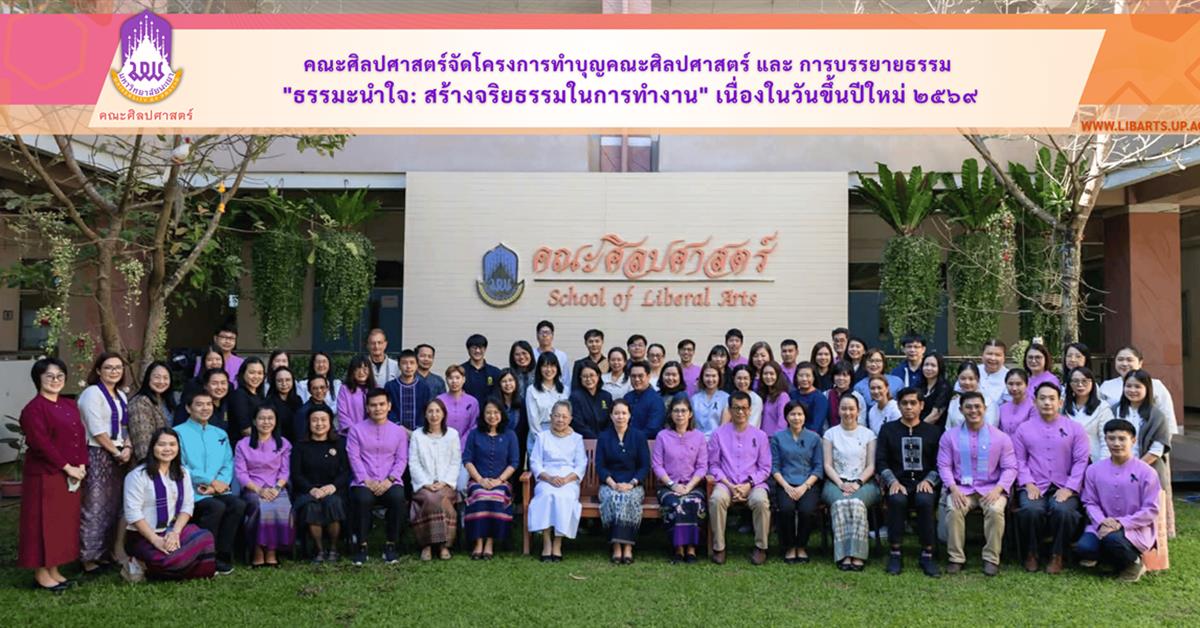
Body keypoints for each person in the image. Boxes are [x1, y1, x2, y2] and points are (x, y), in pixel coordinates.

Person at [18, 357, 87, 592]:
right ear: (38, 379)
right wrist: (67, 467)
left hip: (71, 475)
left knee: (61, 524)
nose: (55, 380)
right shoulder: (33, 409)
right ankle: (41, 573)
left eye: (60, 376)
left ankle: (54, 569)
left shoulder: (69, 405)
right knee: (42, 524)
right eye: (49, 376)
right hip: (44, 476)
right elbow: (42, 445)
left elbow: (80, 436)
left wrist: (81, 465)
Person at [937, 391, 1018, 576]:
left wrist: (998, 489)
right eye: (968, 407)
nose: (973, 411)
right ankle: (956, 557)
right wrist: (953, 489)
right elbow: (944, 465)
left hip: (991, 488)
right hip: (961, 488)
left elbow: (1010, 468)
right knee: (954, 508)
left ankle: (991, 558)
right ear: (961, 410)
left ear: (985, 409)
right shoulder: (949, 437)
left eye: (977, 407)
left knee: (995, 510)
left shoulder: (1001, 437)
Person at [1011, 383, 1089, 574]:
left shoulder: (1075, 429)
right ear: (1035, 402)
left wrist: (1069, 488)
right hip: (1034, 483)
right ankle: (1032, 553)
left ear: (1060, 402)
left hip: (1064, 484)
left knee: (1063, 511)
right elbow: (1019, 460)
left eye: (1052, 398)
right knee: (1031, 510)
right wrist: (1028, 483)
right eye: (1042, 398)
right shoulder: (1023, 429)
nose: (1047, 402)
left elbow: (1081, 461)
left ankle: (1058, 554)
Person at [122, 428, 216, 581]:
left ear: (178, 448)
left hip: (171, 531)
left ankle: (159, 567)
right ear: (153, 447)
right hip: (143, 536)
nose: (167, 449)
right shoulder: (137, 476)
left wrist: (175, 533)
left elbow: (187, 506)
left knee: (205, 537)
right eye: (162, 444)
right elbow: (133, 514)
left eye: (172, 444)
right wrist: (156, 540)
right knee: (170, 560)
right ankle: (146, 564)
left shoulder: (182, 473)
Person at [1077, 419, 1161, 582]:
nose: (1116, 443)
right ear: (1105, 440)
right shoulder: (1094, 470)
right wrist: (1102, 521)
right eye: (1111, 438)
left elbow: (1151, 509)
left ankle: (1135, 564)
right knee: (1085, 548)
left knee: (1112, 539)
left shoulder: (1147, 472)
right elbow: (1090, 502)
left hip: (1135, 527)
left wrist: (1121, 523)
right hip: (1101, 525)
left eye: (1122, 439)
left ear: (1133, 440)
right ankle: (1112, 560)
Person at [176, 391, 245, 575]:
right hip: (192, 490)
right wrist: (209, 481)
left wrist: (219, 484)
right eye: (199, 404)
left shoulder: (220, 433)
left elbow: (228, 462)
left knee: (237, 505)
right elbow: (181, 466)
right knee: (215, 507)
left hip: (217, 489)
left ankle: (223, 555)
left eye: (208, 404)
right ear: (188, 408)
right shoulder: (178, 433)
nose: (205, 408)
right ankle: (206, 555)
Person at [875, 388, 942, 577]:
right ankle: (895, 552)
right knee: (897, 500)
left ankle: (927, 554)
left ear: (921, 405)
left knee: (924, 500)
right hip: (898, 481)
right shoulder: (888, 430)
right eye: (904, 403)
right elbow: (881, 461)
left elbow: (941, 462)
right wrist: (892, 481)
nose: (909, 407)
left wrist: (929, 481)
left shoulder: (933, 432)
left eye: (913, 403)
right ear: (898, 406)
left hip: (924, 482)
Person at [1104, 369, 1173, 544]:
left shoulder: (1157, 415)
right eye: (1128, 386)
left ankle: (1147, 544)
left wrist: (1134, 469)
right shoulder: (1114, 410)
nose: (1132, 390)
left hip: (1148, 468)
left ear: (1147, 389)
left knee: (1145, 509)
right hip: (1114, 467)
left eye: (1137, 386)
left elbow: (1157, 448)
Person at [77, 351, 131, 575]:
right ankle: (88, 558)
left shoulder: (121, 395)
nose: (114, 371)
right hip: (98, 453)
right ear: (99, 370)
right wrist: (116, 452)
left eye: (118, 367)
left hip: (119, 453)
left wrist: (127, 447)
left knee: (114, 505)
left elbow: (126, 425)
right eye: (108, 367)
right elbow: (96, 429)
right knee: (95, 504)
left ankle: (106, 552)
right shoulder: (92, 393)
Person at [707, 391, 772, 566]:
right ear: (730, 410)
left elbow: (765, 468)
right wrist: (729, 484)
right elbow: (713, 465)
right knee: (717, 499)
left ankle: (761, 547)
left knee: (761, 501)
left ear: (750, 410)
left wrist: (748, 484)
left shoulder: (760, 436)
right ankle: (719, 547)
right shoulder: (718, 434)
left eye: (744, 408)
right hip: (726, 482)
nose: (740, 412)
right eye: (736, 408)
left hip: (753, 483)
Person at [347, 389, 409, 566]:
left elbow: (402, 459)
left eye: (382, 404)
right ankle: (361, 545)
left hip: (391, 480)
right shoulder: (356, 430)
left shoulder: (398, 432)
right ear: (367, 408)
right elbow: (354, 457)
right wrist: (366, 480)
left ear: (389, 406)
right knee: (362, 499)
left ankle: (391, 544)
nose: (378, 408)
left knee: (397, 498)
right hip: (363, 481)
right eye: (373, 405)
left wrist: (390, 480)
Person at [822, 393, 879, 571]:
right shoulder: (830, 434)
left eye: (851, 409)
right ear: (838, 410)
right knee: (840, 503)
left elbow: (871, 466)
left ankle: (858, 554)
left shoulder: (868, 434)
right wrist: (840, 483)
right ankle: (844, 554)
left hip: (865, 483)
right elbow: (827, 464)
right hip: (835, 482)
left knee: (856, 503)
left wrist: (858, 483)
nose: (848, 412)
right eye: (844, 408)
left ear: (858, 410)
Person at [527, 401, 587, 561]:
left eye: (564, 416)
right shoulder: (542, 437)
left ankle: (558, 543)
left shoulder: (576, 438)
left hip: (569, 480)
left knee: (564, 497)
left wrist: (566, 479)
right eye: (557, 416)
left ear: (570, 418)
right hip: (547, 478)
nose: (560, 420)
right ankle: (546, 542)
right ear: (551, 417)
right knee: (546, 495)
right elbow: (535, 462)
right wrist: (549, 478)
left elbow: (581, 464)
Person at [234, 406, 293, 567]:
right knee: (259, 505)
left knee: (281, 504)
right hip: (253, 487)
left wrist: (276, 489)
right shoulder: (243, 444)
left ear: (276, 421)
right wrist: (259, 490)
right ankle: (258, 550)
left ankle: (272, 551)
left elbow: (285, 471)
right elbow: (241, 473)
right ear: (254, 421)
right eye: (261, 418)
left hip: (276, 487)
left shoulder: (284, 444)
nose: (266, 422)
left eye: (270, 418)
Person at [290, 408, 350, 564]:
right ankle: (319, 550)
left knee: (333, 503)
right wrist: (311, 489)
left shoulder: (339, 443)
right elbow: (296, 474)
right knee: (311, 507)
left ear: (330, 422)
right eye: (314, 420)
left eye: (323, 420)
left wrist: (333, 487)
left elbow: (346, 472)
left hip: (333, 489)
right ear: (308, 423)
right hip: (308, 491)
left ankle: (334, 548)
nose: (319, 424)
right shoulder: (300, 446)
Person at [653, 397, 708, 563]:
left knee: (693, 502)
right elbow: (657, 465)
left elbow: (702, 466)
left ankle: (691, 548)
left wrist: (689, 486)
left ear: (690, 414)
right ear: (671, 414)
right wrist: (672, 485)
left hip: (693, 486)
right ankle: (678, 548)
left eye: (683, 411)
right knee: (675, 503)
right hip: (668, 486)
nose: (680, 414)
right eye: (676, 411)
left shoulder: (698, 437)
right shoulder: (663, 436)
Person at [463, 399, 520, 560]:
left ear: (501, 414)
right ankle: (478, 542)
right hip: (477, 480)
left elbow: (514, 462)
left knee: (496, 496)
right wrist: (480, 480)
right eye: (488, 412)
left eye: (496, 412)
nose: (492, 416)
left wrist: (499, 480)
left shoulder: (510, 435)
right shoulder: (474, 434)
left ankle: (489, 542)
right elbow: (467, 459)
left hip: (501, 482)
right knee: (479, 495)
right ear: (483, 414)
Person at [595, 399, 651, 564]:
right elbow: (600, 466)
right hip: (609, 484)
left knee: (628, 498)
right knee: (614, 498)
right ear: (611, 416)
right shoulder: (604, 437)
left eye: (624, 413)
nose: (620, 417)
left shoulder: (639, 436)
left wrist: (631, 483)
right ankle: (616, 546)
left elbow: (644, 466)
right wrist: (612, 484)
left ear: (630, 415)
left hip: (633, 484)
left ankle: (627, 546)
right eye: (616, 413)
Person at [770, 401, 822, 565]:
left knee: (806, 510)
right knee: (786, 509)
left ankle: (802, 545)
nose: (796, 418)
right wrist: (786, 486)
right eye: (792, 414)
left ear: (805, 417)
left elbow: (818, 467)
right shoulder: (778, 437)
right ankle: (790, 546)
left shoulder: (814, 438)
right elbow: (774, 466)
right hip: (784, 483)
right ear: (786, 416)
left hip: (808, 483)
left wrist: (805, 486)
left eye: (800, 414)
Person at [409, 399, 461, 561]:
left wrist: (444, 482)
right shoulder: (417, 435)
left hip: (446, 484)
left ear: (444, 414)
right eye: (430, 411)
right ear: (425, 414)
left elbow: (455, 462)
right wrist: (426, 483)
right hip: (424, 485)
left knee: (440, 497)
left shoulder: (452, 434)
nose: (434, 415)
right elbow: (414, 462)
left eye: (438, 411)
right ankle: (427, 545)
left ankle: (443, 545)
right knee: (431, 498)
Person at [1099, 345, 1178, 436]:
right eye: (1120, 359)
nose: (1124, 363)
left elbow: (1167, 414)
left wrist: (1167, 438)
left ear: (1140, 363)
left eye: (1129, 360)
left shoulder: (1156, 385)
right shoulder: (1106, 386)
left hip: (1149, 438)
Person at [127, 361, 176, 465]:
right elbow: (142, 442)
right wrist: (151, 466)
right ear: (148, 378)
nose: (161, 381)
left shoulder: (167, 401)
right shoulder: (140, 402)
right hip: (151, 464)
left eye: (166, 378)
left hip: (167, 461)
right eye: (157, 377)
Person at [1064, 366, 1112, 461]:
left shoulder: (1102, 408)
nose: (1080, 384)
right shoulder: (1063, 406)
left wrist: (1102, 465)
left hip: (1094, 459)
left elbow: (1107, 440)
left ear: (1092, 383)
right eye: (1075, 381)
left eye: (1085, 381)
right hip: (1067, 459)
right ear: (1070, 384)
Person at [525, 352, 569, 455]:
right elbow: (533, 421)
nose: (549, 370)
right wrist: (544, 442)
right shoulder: (532, 390)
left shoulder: (564, 390)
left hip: (561, 435)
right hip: (539, 436)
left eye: (552, 366)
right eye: (545, 366)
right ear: (539, 369)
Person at [384, 349, 432, 432]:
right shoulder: (390, 386)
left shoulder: (424, 387)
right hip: (395, 430)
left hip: (419, 432)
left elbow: (426, 410)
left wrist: (417, 430)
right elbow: (388, 410)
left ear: (417, 365)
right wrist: (400, 427)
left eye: (412, 363)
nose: (408, 366)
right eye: (404, 363)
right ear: (399, 366)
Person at [945, 362, 1000, 429]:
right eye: (963, 379)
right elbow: (948, 427)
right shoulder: (954, 401)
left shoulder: (988, 402)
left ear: (978, 379)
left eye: (971, 379)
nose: (967, 382)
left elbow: (991, 428)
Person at [437, 364, 479, 450]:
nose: (454, 381)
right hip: (442, 445)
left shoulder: (472, 402)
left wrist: (462, 443)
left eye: (457, 378)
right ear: (446, 380)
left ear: (463, 379)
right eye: (450, 378)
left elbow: (474, 425)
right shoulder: (439, 400)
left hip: (466, 447)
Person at [226, 357, 266, 442]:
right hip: (243, 445)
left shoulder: (260, 396)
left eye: (260, 373)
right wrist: (268, 438)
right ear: (243, 373)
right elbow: (245, 430)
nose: (256, 376)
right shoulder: (238, 395)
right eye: (252, 372)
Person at [569, 361, 612, 439]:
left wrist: (604, 437)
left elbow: (610, 420)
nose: (588, 379)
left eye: (592, 375)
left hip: (605, 439)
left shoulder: (606, 396)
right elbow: (577, 423)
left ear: (598, 376)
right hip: (584, 440)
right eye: (585, 376)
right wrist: (594, 438)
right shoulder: (575, 397)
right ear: (580, 378)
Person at [494, 369, 528, 465]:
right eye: (504, 381)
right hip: (497, 447)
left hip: (518, 446)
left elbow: (525, 428)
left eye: (510, 380)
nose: (508, 384)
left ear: (516, 382)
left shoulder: (522, 403)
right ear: (499, 384)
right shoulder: (494, 403)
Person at [336, 356, 375, 436]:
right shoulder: (344, 389)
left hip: (372, 434)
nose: (361, 372)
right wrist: (355, 431)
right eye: (357, 369)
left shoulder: (376, 388)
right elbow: (342, 413)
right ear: (352, 371)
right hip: (350, 434)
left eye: (365, 368)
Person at [195, 322, 243, 387]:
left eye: (231, 338)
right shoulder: (202, 361)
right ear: (215, 338)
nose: (227, 341)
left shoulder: (241, 363)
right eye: (223, 337)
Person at [625, 360, 665, 437]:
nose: (637, 379)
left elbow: (653, 429)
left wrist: (632, 438)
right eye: (633, 376)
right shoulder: (627, 397)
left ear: (648, 376)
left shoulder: (656, 400)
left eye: (640, 376)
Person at [690, 361, 730, 438]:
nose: (710, 379)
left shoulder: (726, 398)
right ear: (702, 377)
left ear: (719, 377)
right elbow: (691, 425)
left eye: (714, 376)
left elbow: (723, 427)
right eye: (707, 376)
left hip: (717, 440)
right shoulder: (694, 399)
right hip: (697, 440)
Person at [462, 334, 503, 408]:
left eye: (481, 347)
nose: (477, 351)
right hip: (466, 412)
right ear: (468, 349)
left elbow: (498, 396)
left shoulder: (495, 372)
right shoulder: (461, 371)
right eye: (474, 348)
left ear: (485, 349)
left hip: (488, 413)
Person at [266, 366, 303, 446]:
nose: (284, 384)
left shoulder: (298, 400)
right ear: (274, 382)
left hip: (296, 443)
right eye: (280, 381)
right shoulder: (268, 402)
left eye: (288, 380)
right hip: (276, 444)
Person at [789, 362, 830, 433]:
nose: (804, 379)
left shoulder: (820, 398)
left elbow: (816, 425)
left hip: (811, 437)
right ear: (796, 377)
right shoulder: (792, 395)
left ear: (814, 377)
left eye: (808, 376)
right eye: (801, 375)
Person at [295, 374, 336, 444]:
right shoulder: (303, 412)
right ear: (309, 390)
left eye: (322, 387)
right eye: (315, 388)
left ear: (327, 388)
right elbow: (301, 439)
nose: (319, 391)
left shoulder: (327, 408)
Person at [533, 320, 572, 391]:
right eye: (542, 333)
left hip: (557, 392)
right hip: (536, 391)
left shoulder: (562, 355)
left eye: (547, 333)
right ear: (537, 335)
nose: (545, 335)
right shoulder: (531, 354)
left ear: (552, 335)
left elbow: (566, 379)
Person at [998, 368, 1037, 436]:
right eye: (1010, 384)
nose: (1014, 388)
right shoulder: (1002, 408)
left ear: (1027, 385)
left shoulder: (1034, 407)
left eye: (1018, 384)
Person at [972, 339, 1010, 407]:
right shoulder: (972, 370)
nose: (993, 358)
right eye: (989, 354)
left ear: (1004, 358)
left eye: (998, 355)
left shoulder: (1010, 377)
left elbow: (1008, 405)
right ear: (982, 355)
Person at [756, 361, 791, 435]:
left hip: (774, 438)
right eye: (765, 374)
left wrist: (776, 439)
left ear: (778, 375)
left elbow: (782, 423)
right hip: (761, 437)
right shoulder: (762, 395)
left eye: (771, 374)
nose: (768, 377)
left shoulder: (783, 396)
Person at [825, 362, 861, 430]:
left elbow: (861, 421)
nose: (841, 378)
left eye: (845, 375)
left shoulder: (858, 397)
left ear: (851, 377)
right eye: (838, 375)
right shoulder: (826, 395)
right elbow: (824, 421)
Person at [918, 353, 952, 426]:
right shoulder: (918, 386)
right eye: (926, 365)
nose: (929, 368)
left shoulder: (944, 387)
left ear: (939, 368)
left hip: (935, 428)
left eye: (933, 365)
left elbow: (935, 416)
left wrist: (918, 429)